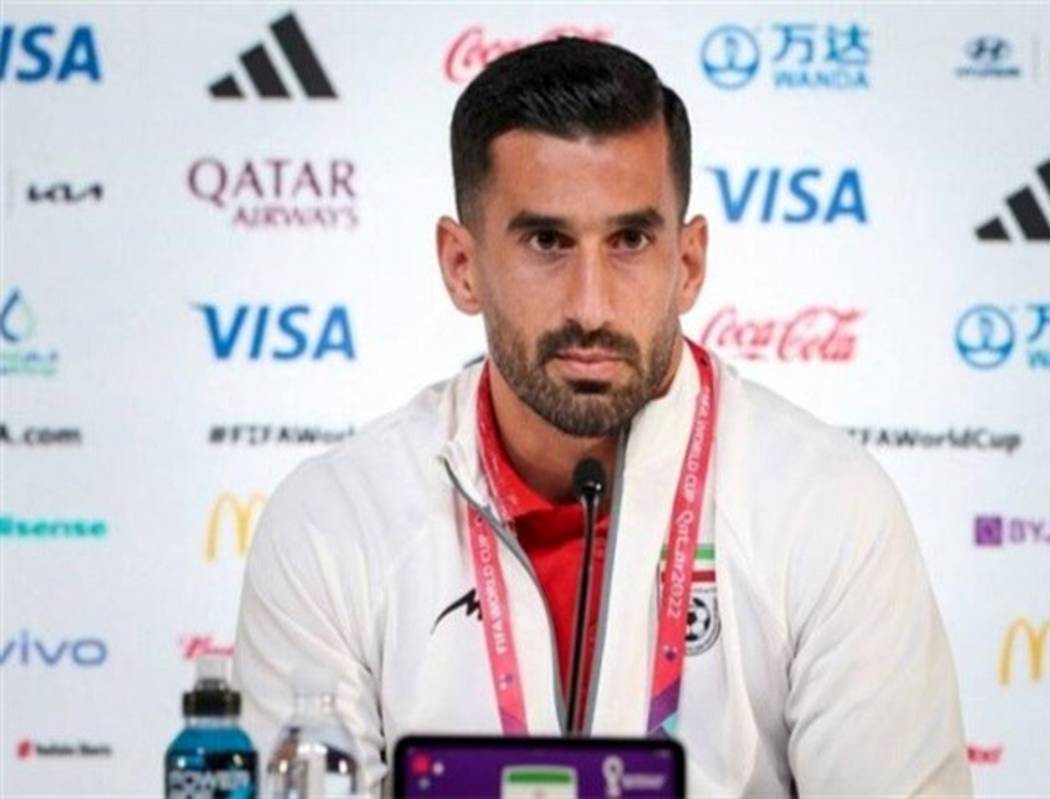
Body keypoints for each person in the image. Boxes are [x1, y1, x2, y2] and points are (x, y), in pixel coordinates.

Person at [233, 37, 972, 796]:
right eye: (547, 242)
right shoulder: (333, 521)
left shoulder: (827, 506)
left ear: (688, 263)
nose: (590, 306)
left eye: (630, 241)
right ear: (462, 266)